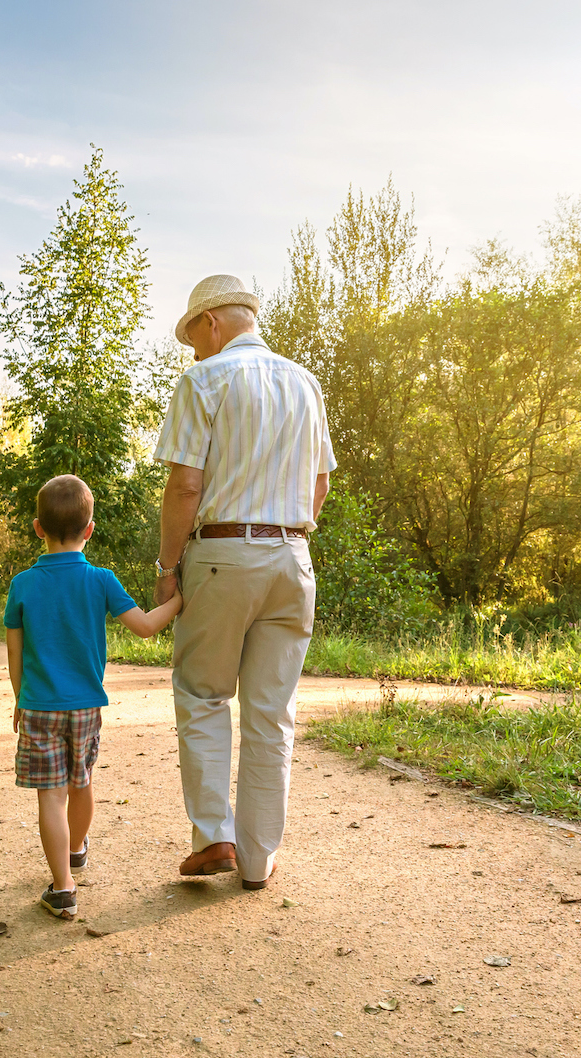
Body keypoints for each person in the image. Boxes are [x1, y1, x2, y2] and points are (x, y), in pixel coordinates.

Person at [151, 274, 335, 890]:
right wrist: (287, 533)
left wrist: (167, 567)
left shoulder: (205, 379)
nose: (194, 351)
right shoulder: (306, 383)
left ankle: (214, 839)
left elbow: (185, 485)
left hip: (223, 556)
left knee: (204, 694)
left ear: (212, 324)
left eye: (194, 338)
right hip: (293, 558)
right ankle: (258, 860)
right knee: (270, 713)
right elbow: (320, 486)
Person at [4, 474, 182, 917]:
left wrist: (19, 697)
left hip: (40, 706)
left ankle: (63, 887)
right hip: (86, 706)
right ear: (90, 529)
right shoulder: (100, 580)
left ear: (38, 528)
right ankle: (77, 847)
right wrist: (181, 600)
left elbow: (14, 648)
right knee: (80, 781)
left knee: (50, 794)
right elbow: (144, 627)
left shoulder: (22, 584)